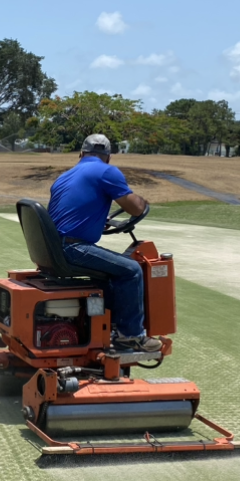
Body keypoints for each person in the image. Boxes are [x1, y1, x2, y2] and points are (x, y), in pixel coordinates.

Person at [47, 134, 162, 353]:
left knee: (112, 273)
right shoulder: (107, 171)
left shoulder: (64, 177)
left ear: (80, 154)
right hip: (73, 248)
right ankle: (131, 336)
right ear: (107, 157)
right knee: (131, 270)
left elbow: (68, 216)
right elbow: (136, 208)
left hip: (55, 248)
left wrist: (98, 222)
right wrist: (142, 201)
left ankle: (109, 326)